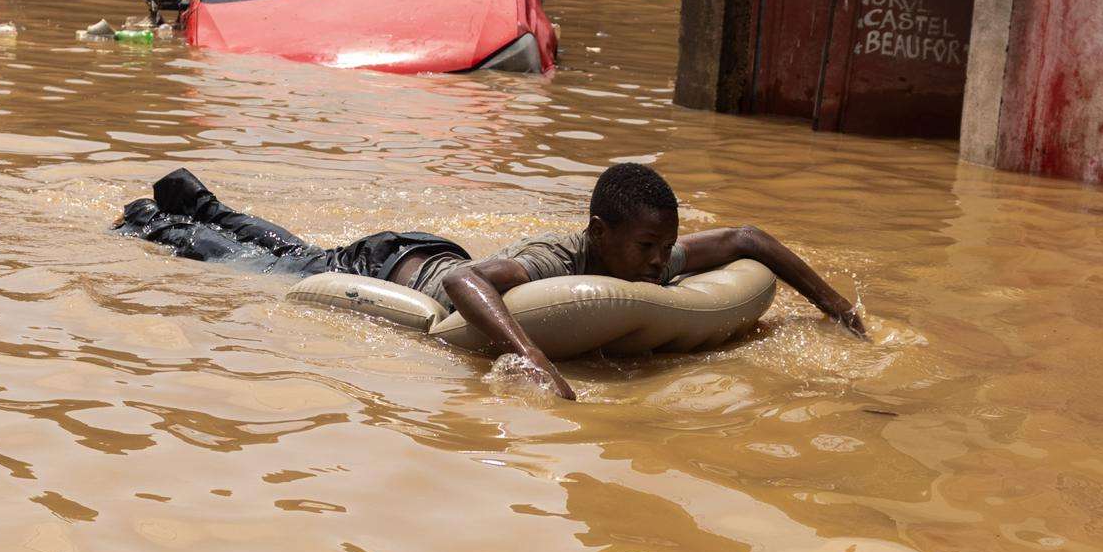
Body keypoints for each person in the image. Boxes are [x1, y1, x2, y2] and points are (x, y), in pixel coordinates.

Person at [116, 163, 866, 399]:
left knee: (283, 246)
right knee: (255, 261)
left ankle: (200, 202)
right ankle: (161, 219)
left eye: (662, 249)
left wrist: (836, 309)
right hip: (383, 265)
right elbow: (475, 284)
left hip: (420, 248)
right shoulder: (559, 259)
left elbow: (746, 239)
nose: (655, 263)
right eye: (643, 247)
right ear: (600, 234)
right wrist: (529, 357)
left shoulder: (646, 259)